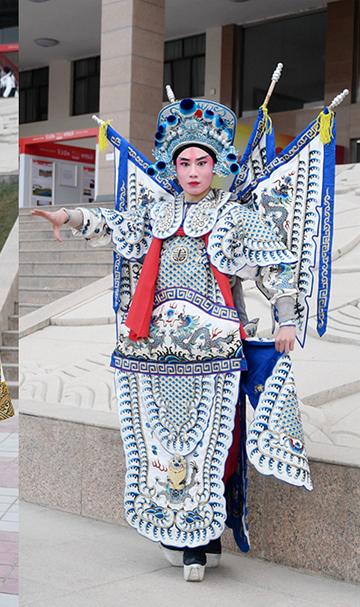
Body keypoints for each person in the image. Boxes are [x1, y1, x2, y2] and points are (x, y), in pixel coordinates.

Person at [31, 95, 318, 583]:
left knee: (215, 443)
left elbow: (276, 265)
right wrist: (70, 216)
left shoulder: (235, 216)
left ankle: (203, 538)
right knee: (162, 442)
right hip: (152, 352)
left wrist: (286, 319)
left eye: (201, 162)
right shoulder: (157, 215)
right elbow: (113, 225)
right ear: (174, 166)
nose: (193, 172)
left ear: (216, 165)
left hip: (215, 351)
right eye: (184, 163)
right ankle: (178, 532)